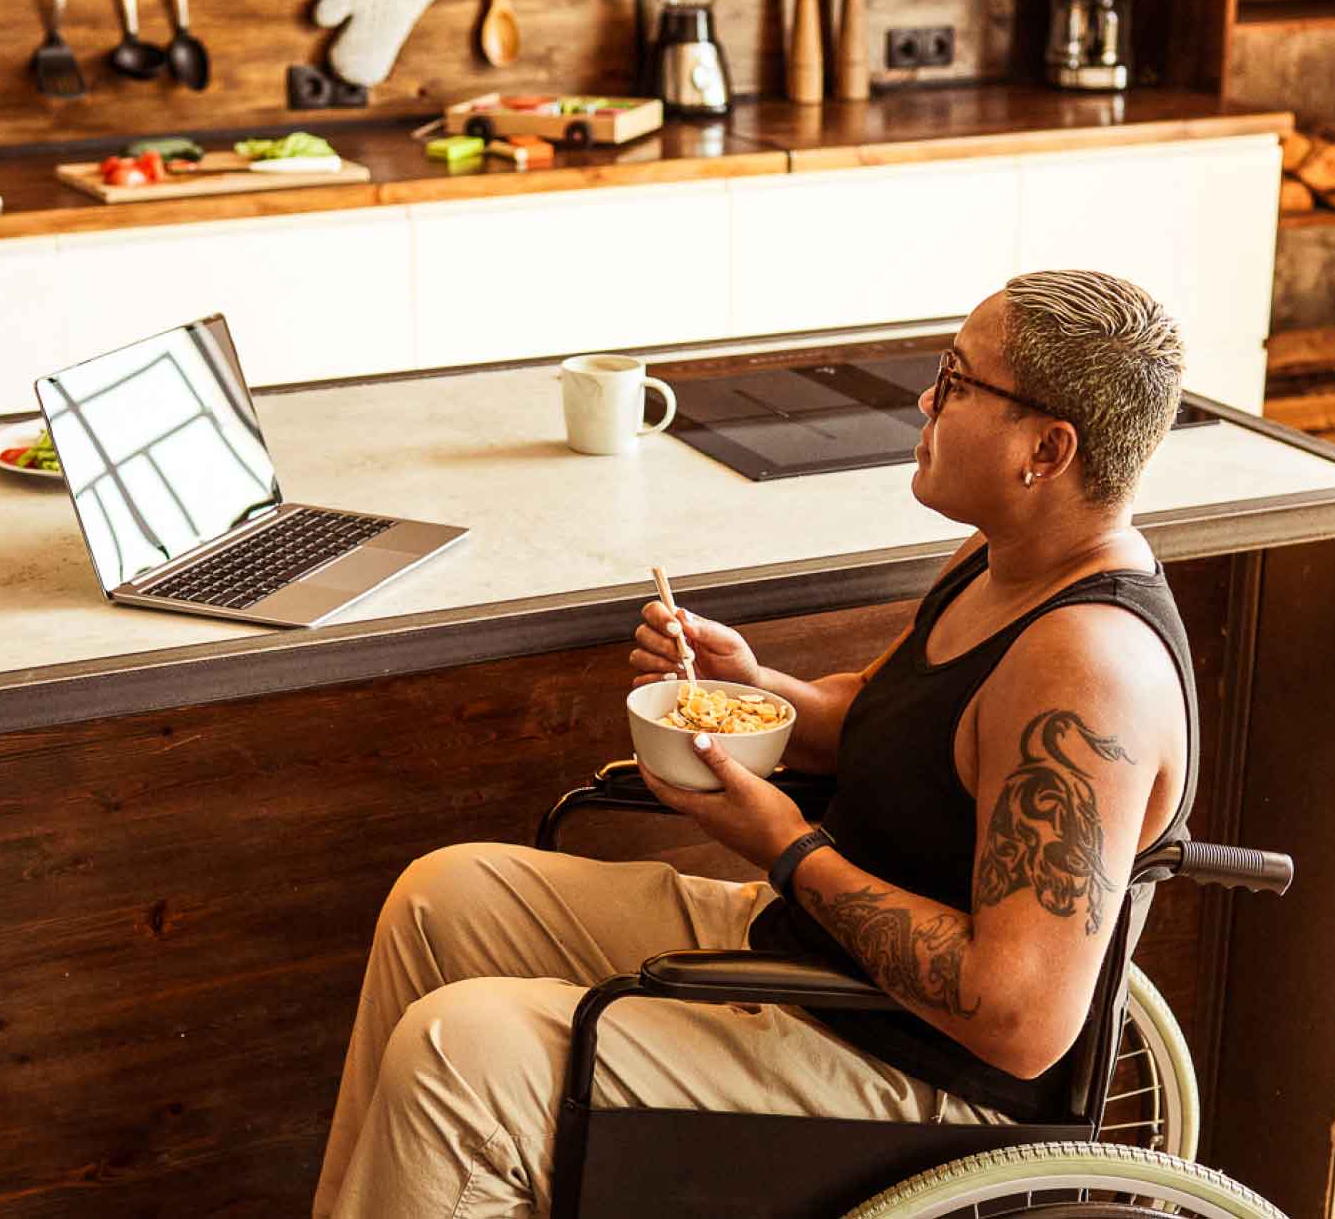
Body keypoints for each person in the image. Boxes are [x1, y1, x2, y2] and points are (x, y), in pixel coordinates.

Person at [312, 269, 1196, 1218]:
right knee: (442, 899)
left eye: (956, 379)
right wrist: (756, 687)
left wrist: (783, 844)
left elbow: (1017, 1019)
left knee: (458, 1051)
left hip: (910, 1076)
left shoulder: (1090, 669)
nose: (925, 399)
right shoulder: (1004, 558)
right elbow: (871, 717)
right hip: (820, 959)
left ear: (1046, 448)